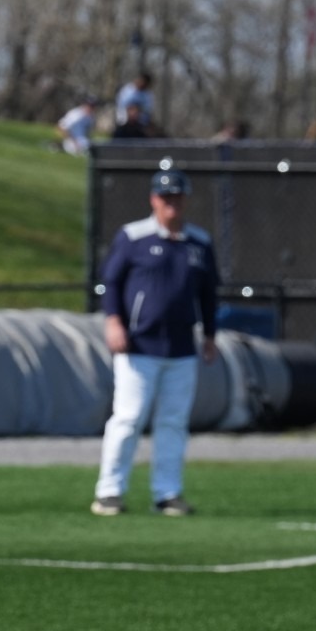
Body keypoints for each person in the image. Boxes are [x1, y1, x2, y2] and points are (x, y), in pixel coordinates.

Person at [91, 170, 219, 517]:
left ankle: (168, 493)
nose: (172, 203)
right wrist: (114, 321)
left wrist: (209, 335)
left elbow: (208, 294)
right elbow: (111, 282)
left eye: (177, 197)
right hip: (139, 346)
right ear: (153, 200)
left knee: (173, 422)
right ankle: (109, 492)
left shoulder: (198, 242)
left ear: (185, 199)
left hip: (181, 348)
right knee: (129, 418)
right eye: (166, 197)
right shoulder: (134, 237)